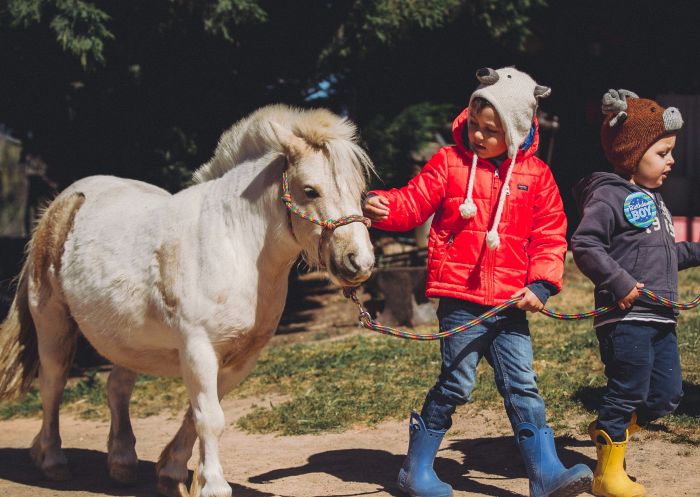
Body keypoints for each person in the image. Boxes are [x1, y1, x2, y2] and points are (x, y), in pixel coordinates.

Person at [363, 67, 592, 497]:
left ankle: (544, 473)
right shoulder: (448, 163)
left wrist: (541, 285)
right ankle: (417, 469)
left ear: (518, 131)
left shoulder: (537, 177)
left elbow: (549, 234)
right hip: (460, 299)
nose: (480, 136)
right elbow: (413, 201)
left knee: (522, 383)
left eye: (492, 130)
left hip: (509, 305)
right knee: (456, 382)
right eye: (474, 125)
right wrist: (385, 207)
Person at [571, 90, 699, 497]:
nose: (671, 161)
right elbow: (586, 245)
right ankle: (606, 476)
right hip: (625, 317)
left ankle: (609, 429)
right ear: (631, 153)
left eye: (671, 152)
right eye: (662, 153)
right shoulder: (608, 195)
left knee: (666, 394)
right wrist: (620, 283)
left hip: (660, 316)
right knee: (628, 387)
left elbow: (665, 254)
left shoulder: (654, 201)